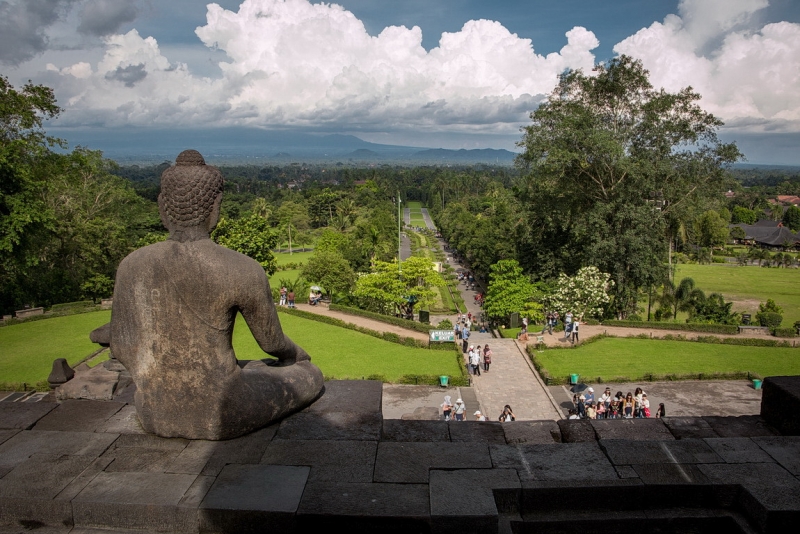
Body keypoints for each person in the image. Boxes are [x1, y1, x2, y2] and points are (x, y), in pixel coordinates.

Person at [98, 150, 323, 440]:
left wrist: (156, 379)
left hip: (153, 408)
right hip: (224, 409)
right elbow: (272, 343)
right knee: (309, 375)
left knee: (253, 368)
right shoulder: (240, 268)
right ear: (215, 207)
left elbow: (121, 344)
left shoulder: (132, 265)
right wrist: (298, 355)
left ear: (162, 208)